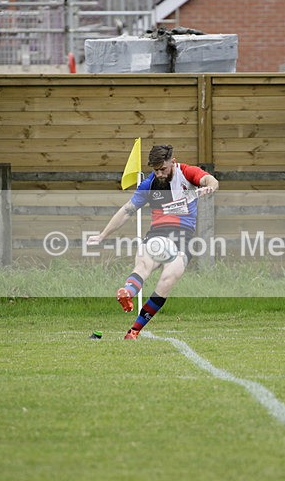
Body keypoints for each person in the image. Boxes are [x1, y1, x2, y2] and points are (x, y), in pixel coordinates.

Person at [86, 145, 219, 339]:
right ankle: (128, 295)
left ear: (173, 162)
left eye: (163, 169)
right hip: (157, 234)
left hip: (182, 237)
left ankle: (133, 328)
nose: (159, 174)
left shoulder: (186, 172)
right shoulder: (149, 184)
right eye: (155, 170)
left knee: (168, 278)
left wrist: (210, 187)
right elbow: (127, 210)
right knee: (144, 266)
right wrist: (102, 235)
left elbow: (210, 179)